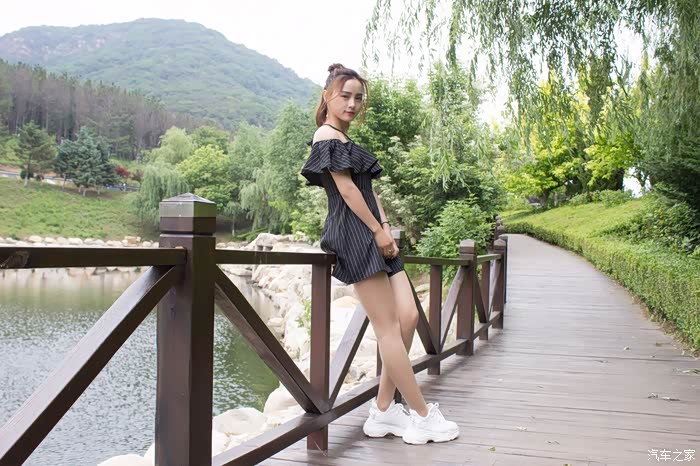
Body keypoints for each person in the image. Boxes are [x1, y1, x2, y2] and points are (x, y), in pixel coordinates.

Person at [300, 63, 459, 445]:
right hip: (354, 233)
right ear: (327, 96)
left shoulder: (344, 138)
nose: (352, 103)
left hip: (374, 233)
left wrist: (385, 229)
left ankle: (384, 409)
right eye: (345, 96)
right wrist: (375, 231)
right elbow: (347, 192)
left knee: (408, 317)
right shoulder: (325, 135)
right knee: (387, 327)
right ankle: (422, 415)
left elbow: (369, 191)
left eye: (358, 97)